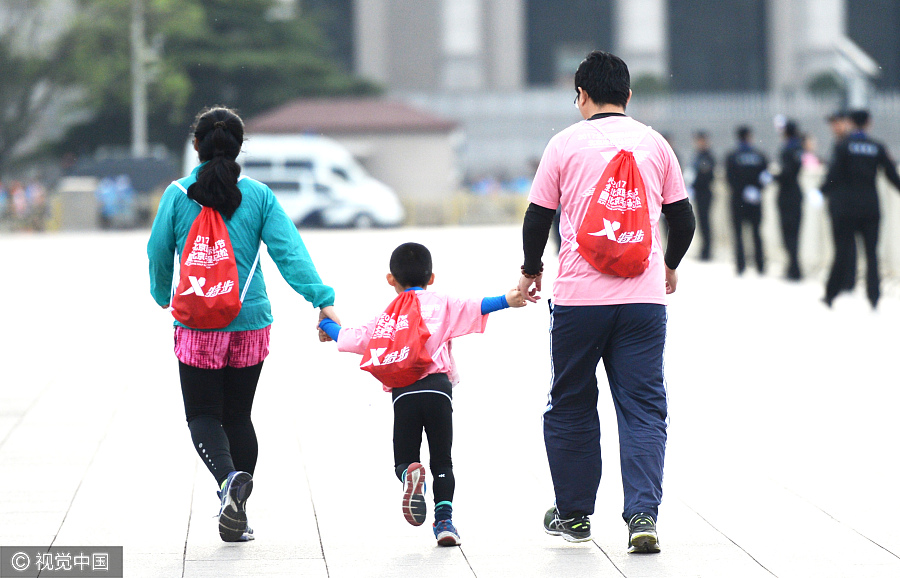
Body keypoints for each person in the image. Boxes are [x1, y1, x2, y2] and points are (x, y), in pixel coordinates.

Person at [517, 51, 695, 554]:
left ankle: (574, 516)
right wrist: (669, 264)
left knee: (572, 402)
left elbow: (537, 218)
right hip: (642, 302)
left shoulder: (563, 145)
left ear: (581, 95)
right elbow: (683, 221)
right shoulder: (656, 144)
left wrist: (532, 271)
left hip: (578, 301)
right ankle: (642, 513)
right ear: (629, 96)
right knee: (642, 406)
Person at [147, 106, 340, 542]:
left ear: (196, 145)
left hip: (198, 324)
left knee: (202, 414)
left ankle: (225, 482)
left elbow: (159, 251)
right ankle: (238, 513)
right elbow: (288, 252)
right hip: (250, 322)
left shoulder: (177, 195)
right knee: (238, 416)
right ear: (240, 148)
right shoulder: (259, 196)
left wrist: (162, 295)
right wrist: (322, 300)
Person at [318, 242, 526, 547]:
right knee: (443, 460)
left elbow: (353, 338)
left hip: (404, 394)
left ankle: (409, 477)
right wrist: (508, 299)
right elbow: (477, 305)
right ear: (431, 278)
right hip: (438, 390)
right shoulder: (442, 302)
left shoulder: (389, 316)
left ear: (391, 279)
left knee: (404, 458)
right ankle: (444, 523)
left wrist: (326, 324)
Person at [821, 109, 900, 309]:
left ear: (850, 123)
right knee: (872, 253)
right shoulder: (876, 147)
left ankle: (831, 294)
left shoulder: (843, 146)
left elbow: (834, 175)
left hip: (846, 208)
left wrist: (821, 192)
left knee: (842, 251)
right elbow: (892, 175)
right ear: (868, 123)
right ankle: (874, 296)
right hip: (870, 207)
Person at [725, 126, 770, 275]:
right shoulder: (759, 155)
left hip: (738, 199)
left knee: (738, 233)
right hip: (755, 200)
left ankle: (741, 265)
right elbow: (765, 176)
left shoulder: (732, 156)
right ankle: (760, 264)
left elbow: (730, 178)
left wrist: (742, 190)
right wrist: (757, 189)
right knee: (756, 232)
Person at [824, 109, 857, 295]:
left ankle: (848, 280)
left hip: (849, 203)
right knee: (841, 243)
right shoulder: (837, 143)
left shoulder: (849, 144)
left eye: (837, 122)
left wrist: (823, 189)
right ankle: (844, 279)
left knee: (848, 243)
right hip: (837, 202)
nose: (834, 127)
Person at [775, 120, 804, 280]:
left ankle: (794, 269)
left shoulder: (788, 148)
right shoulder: (798, 147)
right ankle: (794, 267)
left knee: (788, 233)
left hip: (787, 194)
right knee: (795, 233)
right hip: (795, 193)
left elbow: (787, 172)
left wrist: (773, 176)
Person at [690, 130, 716, 260]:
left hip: (705, 192)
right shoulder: (697, 156)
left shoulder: (708, 156)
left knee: (706, 223)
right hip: (698, 193)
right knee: (701, 222)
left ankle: (707, 251)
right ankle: (704, 250)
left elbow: (706, 175)